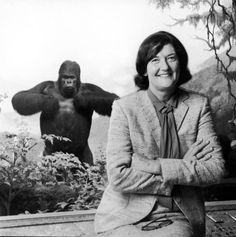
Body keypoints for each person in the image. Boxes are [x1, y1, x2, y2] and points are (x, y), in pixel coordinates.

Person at [94, 31, 225, 237]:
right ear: (144, 70)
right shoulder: (124, 107)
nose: (164, 66)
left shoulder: (198, 106)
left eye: (171, 58)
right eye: (155, 59)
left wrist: (155, 165)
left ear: (180, 64)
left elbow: (215, 169)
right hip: (123, 216)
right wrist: (180, 169)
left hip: (176, 212)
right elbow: (118, 176)